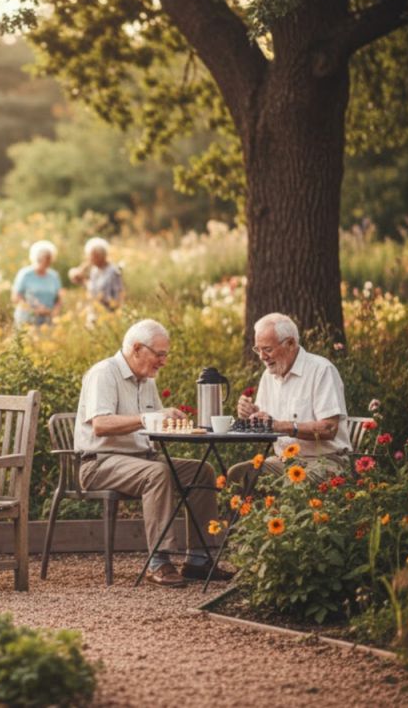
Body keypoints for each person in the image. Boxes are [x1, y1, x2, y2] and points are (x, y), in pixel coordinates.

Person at [74, 318, 233, 587]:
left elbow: (153, 423)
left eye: (165, 355)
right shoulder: (104, 373)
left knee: (201, 470)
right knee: (158, 473)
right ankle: (158, 561)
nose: (163, 361)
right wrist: (149, 417)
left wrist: (174, 423)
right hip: (99, 463)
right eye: (159, 354)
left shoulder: (146, 381)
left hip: (141, 460)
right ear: (137, 349)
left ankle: (198, 559)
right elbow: (101, 425)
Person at [228, 313, 351, 487]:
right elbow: (267, 424)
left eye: (268, 349)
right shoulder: (268, 376)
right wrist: (252, 415)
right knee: (238, 474)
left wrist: (281, 426)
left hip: (325, 461)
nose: (262, 356)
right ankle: (240, 516)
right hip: (284, 461)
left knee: (292, 482)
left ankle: (271, 514)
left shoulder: (321, 370)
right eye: (258, 349)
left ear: (291, 343)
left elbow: (329, 428)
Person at [11, 239, 62, 327]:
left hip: (47, 321)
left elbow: (58, 298)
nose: (47, 261)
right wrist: (34, 310)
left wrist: (55, 312)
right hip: (27, 321)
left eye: (49, 258)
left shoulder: (54, 276)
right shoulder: (25, 274)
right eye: (44, 258)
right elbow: (16, 297)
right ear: (37, 258)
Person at [68, 237, 124, 308]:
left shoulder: (113, 271)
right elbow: (93, 289)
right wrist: (82, 281)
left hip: (109, 311)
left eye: (92, 256)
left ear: (101, 256)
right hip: (96, 311)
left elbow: (119, 296)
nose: (90, 259)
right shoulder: (95, 270)